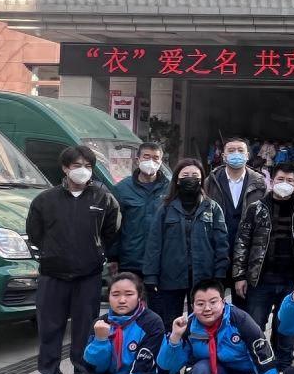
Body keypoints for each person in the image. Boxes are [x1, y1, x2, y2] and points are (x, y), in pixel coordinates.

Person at [26, 145, 121, 374]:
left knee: (85, 328)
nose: (83, 171)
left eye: (88, 166)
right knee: (50, 327)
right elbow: (35, 233)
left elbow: (112, 232)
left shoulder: (103, 199)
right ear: (65, 169)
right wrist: (50, 254)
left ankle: (82, 373)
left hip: (88, 275)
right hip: (53, 274)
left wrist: (100, 254)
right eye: (77, 166)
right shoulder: (45, 200)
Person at [233, 162, 294, 354]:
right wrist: (239, 276)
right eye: (280, 179)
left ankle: (283, 365)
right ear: (271, 181)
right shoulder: (256, 208)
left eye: (290, 180)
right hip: (260, 279)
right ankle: (257, 364)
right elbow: (242, 243)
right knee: (255, 326)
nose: (285, 183)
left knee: (286, 327)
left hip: (292, 281)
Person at [143, 160, 229, 327]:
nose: (190, 179)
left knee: (202, 324)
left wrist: (220, 274)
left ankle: (196, 353)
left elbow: (221, 244)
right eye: (185, 175)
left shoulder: (212, 208)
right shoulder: (166, 208)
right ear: (177, 180)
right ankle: (172, 351)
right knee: (169, 324)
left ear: (201, 179)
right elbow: (154, 244)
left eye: (195, 176)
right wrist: (150, 275)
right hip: (170, 278)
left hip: (203, 278)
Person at [202, 137, 267, 281]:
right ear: (224, 156)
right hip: (216, 252)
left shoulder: (259, 183)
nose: (236, 154)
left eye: (240, 150)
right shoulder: (211, 182)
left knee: (242, 301)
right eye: (231, 151)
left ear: (247, 155)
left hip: (247, 255)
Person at [108, 142, 167, 279]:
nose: (151, 161)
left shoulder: (170, 189)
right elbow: (114, 226)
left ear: (161, 162)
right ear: (137, 159)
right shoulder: (122, 189)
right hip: (130, 261)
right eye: (146, 157)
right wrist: (113, 257)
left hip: (161, 261)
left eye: (155, 158)